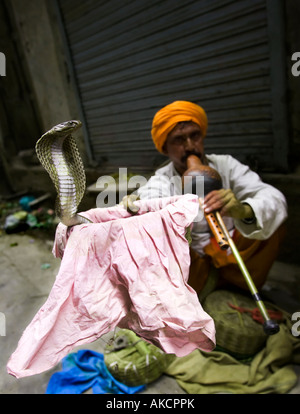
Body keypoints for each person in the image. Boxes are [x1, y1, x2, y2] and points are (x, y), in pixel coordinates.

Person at [135, 100, 288, 295]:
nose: (190, 146)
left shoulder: (225, 164)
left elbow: (273, 198)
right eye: (179, 140)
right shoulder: (162, 179)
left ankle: (239, 286)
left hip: (231, 246)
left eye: (195, 136)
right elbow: (150, 200)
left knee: (271, 221)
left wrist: (243, 210)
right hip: (195, 260)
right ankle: (203, 289)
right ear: (165, 148)